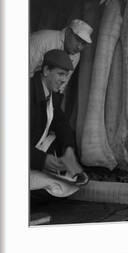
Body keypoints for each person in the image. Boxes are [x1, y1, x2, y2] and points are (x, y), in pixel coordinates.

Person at [30, 49, 88, 189]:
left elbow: (62, 124)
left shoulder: (51, 94)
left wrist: (68, 149)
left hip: (34, 151)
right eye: (60, 74)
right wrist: (42, 160)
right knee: (53, 189)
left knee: (65, 186)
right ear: (46, 71)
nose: (64, 80)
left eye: (66, 75)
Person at [29, 19, 93, 84]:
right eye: (77, 40)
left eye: (83, 43)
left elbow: (63, 83)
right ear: (68, 32)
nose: (79, 47)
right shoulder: (42, 40)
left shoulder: (76, 54)